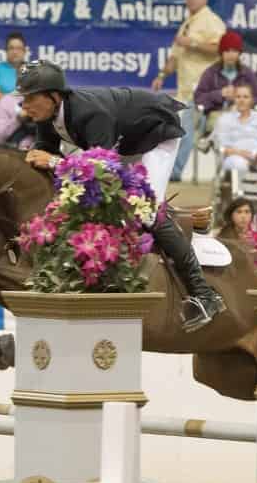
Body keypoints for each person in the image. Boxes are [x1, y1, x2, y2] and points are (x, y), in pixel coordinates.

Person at [18, 59, 224, 331]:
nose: (25, 106)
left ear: (54, 96)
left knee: (145, 208)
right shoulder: (46, 116)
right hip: (124, 140)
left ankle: (205, 294)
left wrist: (55, 163)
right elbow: (47, 155)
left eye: (31, 98)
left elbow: (103, 170)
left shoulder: (90, 113)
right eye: (23, 99)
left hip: (155, 134)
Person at [150, 0, 225, 183]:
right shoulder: (187, 23)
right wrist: (161, 75)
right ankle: (174, 171)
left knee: (185, 131)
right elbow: (174, 56)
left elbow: (221, 49)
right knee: (178, 131)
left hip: (203, 87)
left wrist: (192, 42)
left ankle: (175, 173)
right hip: (184, 89)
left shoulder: (211, 20)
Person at [194, 30, 257, 123]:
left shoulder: (247, 73)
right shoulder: (211, 73)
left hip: (243, 117)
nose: (231, 55)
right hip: (217, 116)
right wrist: (219, 94)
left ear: (239, 53)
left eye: (234, 51)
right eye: (227, 51)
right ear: (221, 53)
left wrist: (241, 101)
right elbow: (199, 99)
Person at [212, 85, 257, 177]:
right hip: (234, 155)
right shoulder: (224, 119)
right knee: (239, 165)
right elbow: (223, 145)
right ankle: (239, 191)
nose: (241, 100)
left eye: (246, 97)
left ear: (252, 100)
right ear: (234, 99)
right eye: (238, 97)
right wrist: (242, 154)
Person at [0, 32, 27, 105]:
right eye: (11, 48)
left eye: (18, 48)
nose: (15, 52)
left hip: (26, 111)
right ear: (6, 51)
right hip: (0, 111)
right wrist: (15, 103)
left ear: (24, 51)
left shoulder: (32, 70)